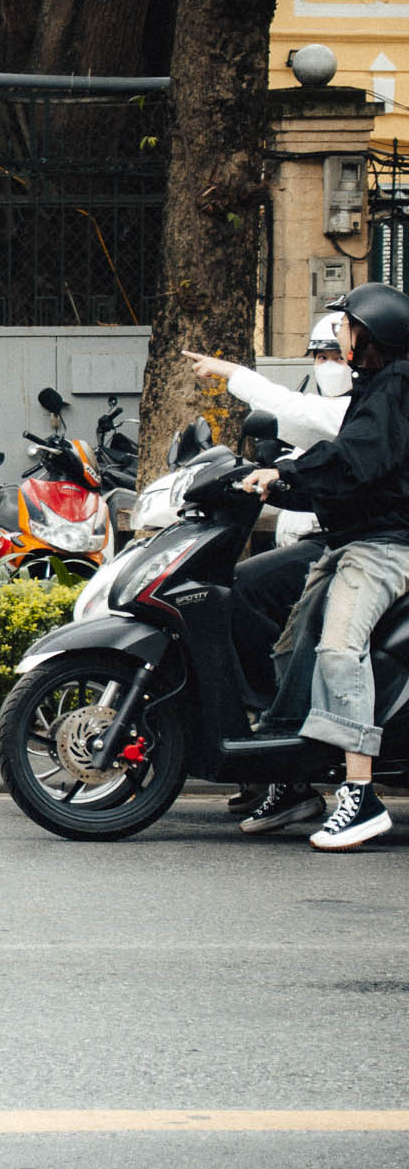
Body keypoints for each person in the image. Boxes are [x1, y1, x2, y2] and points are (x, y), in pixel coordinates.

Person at [237, 284, 409, 851]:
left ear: (371, 335)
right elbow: (339, 473)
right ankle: (292, 778)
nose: (336, 339)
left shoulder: (397, 389)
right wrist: (277, 481)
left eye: (344, 330)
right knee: (291, 649)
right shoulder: (374, 388)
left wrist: (288, 477)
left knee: (338, 649)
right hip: (350, 540)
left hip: (385, 548)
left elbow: (355, 461)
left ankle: (360, 796)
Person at [185, 316, 352, 830]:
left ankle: (278, 739)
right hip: (331, 539)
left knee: (250, 593)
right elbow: (298, 436)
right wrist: (268, 476)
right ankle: (272, 748)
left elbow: (303, 418)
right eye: (320, 356)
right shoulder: (350, 401)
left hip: (355, 545)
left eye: (335, 354)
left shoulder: (370, 400)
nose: (326, 365)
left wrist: (234, 373)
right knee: (250, 593)